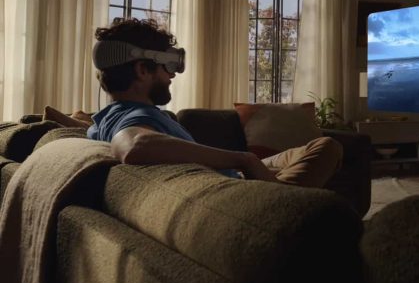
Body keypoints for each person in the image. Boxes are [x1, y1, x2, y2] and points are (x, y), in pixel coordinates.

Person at [87, 18, 342, 187]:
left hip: (236, 176)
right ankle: (290, 196)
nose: (173, 74)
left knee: (312, 147)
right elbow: (133, 146)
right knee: (327, 148)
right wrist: (244, 160)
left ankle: (272, 174)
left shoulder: (105, 118)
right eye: (168, 65)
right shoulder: (133, 119)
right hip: (241, 192)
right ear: (143, 70)